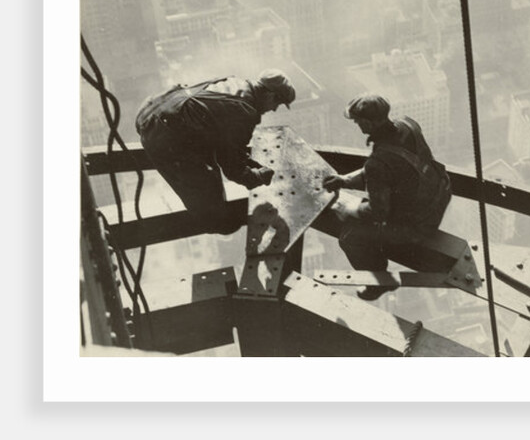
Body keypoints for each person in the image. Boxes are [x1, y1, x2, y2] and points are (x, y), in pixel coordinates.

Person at [135, 69, 296, 234]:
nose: (275, 109)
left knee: (209, 173)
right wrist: (258, 177)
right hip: (162, 135)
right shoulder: (244, 111)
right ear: (270, 96)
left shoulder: (232, 81)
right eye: (277, 103)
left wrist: (248, 161)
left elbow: (226, 144)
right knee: (216, 218)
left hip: (150, 113)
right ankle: (210, 223)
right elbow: (233, 170)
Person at [323, 93, 451, 300]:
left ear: (367, 122)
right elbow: (393, 169)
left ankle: (379, 284)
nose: (357, 125)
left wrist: (348, 209)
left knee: (350, 238)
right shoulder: (408, 125)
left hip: (417, 225)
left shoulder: (378, 163)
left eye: (357, 121)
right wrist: (345, 180)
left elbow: (377, 212)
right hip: (437, 197)